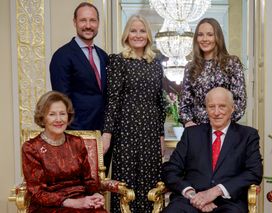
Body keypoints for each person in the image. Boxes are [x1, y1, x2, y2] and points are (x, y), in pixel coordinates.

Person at [101, 15, 166, 212]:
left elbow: (159, 102)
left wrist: (161, 135)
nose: (138, 35)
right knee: (126, 184)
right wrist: (107, 133)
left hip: (150, 132)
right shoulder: (118, 61)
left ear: (148, 35)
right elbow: (112, 100)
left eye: (142, 30)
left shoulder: (156, 64)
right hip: (126, 133)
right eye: (133, 30)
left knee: (150, 183)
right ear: (126, 35)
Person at [162, 87, 263, 213]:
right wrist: (192, 194)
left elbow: (254, 172)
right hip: (190, 201)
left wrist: (215, 191)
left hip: (229, 202)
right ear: (206, 109)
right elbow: (170, 170)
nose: (216, 112)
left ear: (232, 108)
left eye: (222, 106)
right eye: (211, 106)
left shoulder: (247, 135)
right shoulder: (191, 134)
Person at [22, 91, 107, 213]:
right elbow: (37, 193)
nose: (59, 119)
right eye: (52, 114)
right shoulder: (31, 148)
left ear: (68, 116)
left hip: (81, 200)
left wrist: (95, 194)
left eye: (62, 114)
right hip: (48, 206)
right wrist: (74, 203)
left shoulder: (77, 142)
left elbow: (88, 180)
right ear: (42, 118)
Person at [50, 2, 109, 131]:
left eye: (92, 20)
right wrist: (75, 132)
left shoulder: (103, 56)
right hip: (77, 132)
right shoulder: (62, 56)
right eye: (83, 20)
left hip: (104, 133)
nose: (88, 26)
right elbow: (62, 100)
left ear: (98, 23)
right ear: (75, 22)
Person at [179, 18, 247, 127]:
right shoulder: (190, 67)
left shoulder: (232, 63)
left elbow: (240, 101)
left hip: (225, 130)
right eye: (200, 35)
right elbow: (184, 104)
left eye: (210, 34)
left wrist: (223, 123)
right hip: (198, 130)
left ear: (218, 37)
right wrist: (188, 123)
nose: (205, 39)